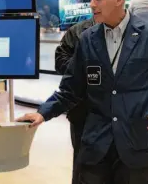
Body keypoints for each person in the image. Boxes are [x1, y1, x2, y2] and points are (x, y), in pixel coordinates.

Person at [17, 0, 148, 184]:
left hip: (136, 142)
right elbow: (71, 89)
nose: (92, 4)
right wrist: (43, 113)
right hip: (96, 143)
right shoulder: (88, 38)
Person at [54, 17, 96, 184]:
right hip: (83, 110)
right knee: (82, 165)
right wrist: (86, 69)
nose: (94, 4)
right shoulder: (77, 31)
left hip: (122, 116)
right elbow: (60, 62)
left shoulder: (138, 32)